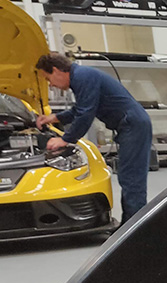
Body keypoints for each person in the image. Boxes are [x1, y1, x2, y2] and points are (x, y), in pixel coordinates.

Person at [34, 53, 153, 223]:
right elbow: (80, 109)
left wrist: (65, 139)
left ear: (56, 70)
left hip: (133, 125)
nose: (51, 84)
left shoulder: (83, 76)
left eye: (48, 79)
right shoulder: (81, 76)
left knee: (132, 179)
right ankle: (131, 224)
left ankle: (136, 227)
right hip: (131, 125)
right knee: (129, 177)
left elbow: (85, 113)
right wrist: (54, 118)